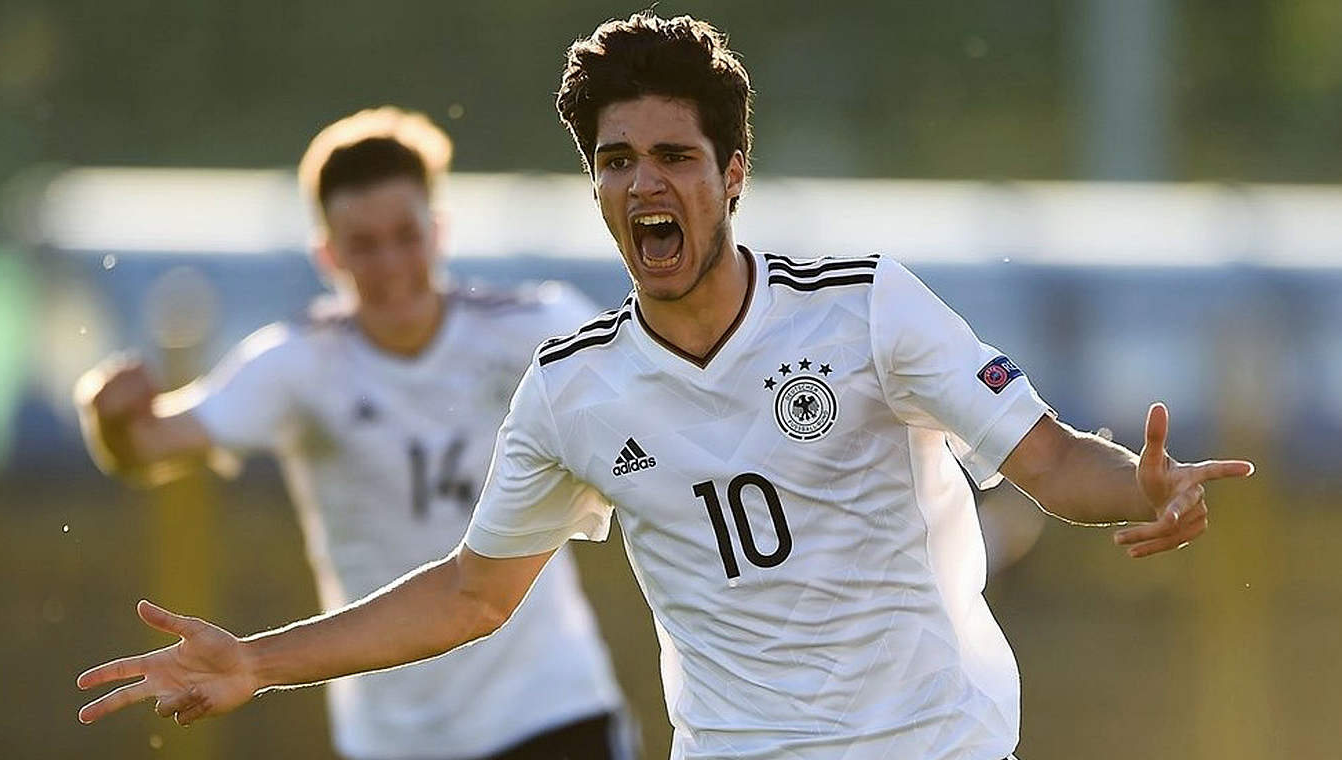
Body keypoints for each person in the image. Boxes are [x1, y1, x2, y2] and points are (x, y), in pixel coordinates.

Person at [76, 16, 1254, 760]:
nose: (646, 180)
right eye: (617, 159)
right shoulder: (573, 387)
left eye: (675, 155)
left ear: (731, 173)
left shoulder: (865, 305)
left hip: (929, 743)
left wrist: (1136, 487)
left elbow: (1047, 459)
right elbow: (471, 595)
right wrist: (257, 660)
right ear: (598, 186)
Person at [74, 107, 633, 760]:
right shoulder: (300, 361)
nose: (390, 263)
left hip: (549, 711)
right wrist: (107, 414)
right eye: (363, 245)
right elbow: (146, 449)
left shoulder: (535, 327)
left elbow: (653, 409)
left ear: (439, 231)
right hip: (392, 735)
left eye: (405, 235)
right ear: (327, 255)